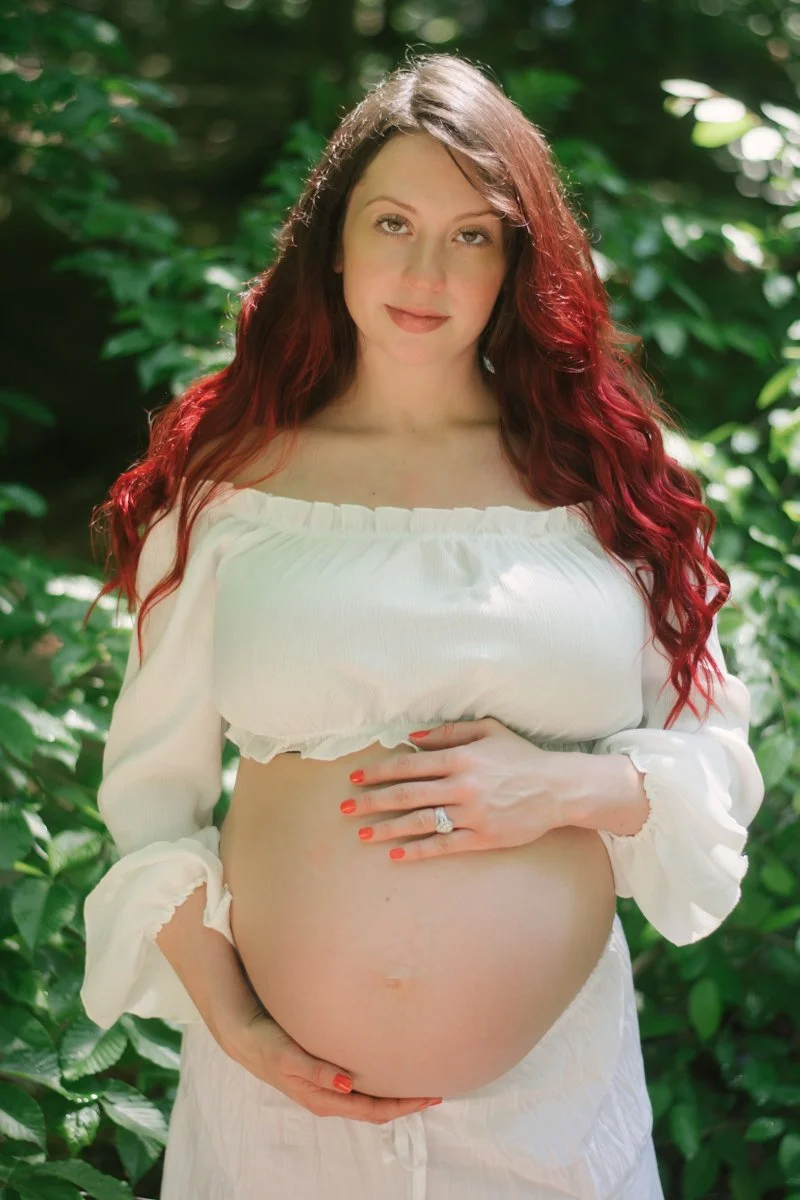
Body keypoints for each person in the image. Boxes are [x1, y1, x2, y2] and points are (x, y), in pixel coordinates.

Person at [80, 51, 765, 1200]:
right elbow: (151, 803)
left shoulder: (602, 484)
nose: (424, 270)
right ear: (330, 240)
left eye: (471, 234)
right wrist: (242, 1035)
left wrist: (556, 791)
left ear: (516, 261)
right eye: (391, 221)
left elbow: (716, 762)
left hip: (551, 1124)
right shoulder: (232, 488)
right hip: (277, 1126)